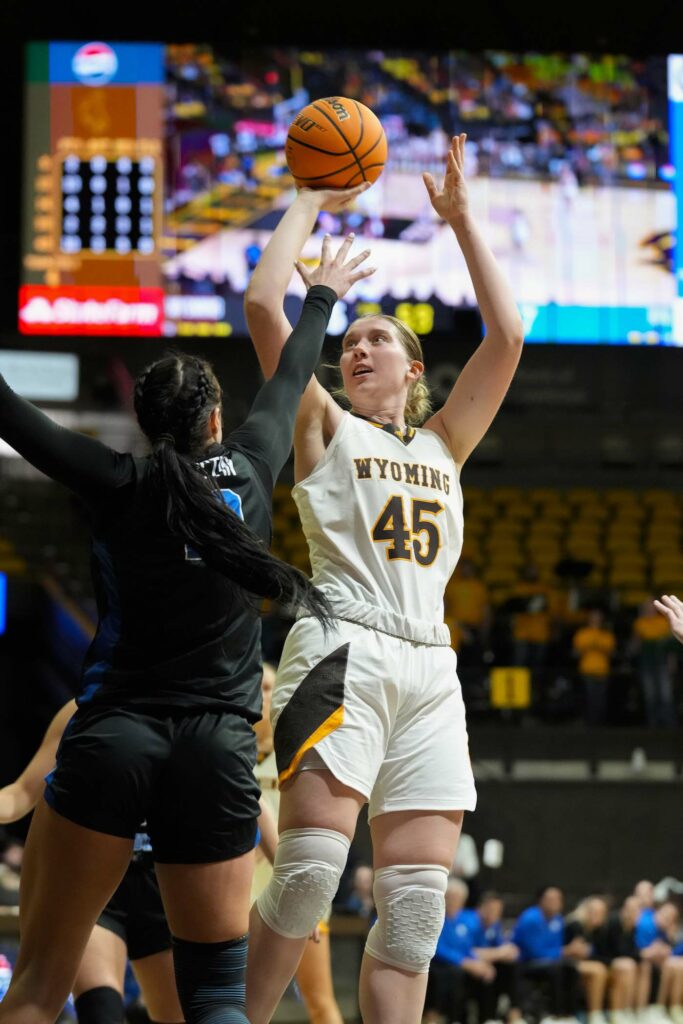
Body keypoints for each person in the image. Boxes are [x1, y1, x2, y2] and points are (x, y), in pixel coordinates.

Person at [0, 239, 372, 1024]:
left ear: (144, 424)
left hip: (116, 734)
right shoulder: (251, 463)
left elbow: (9, 411)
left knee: (37, 986)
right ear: (214, 418)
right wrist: (321, 295)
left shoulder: (115, 479)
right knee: (212, 1000)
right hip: (216, 745)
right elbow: (290, 375)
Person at [243, 132, 524, 1024]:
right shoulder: (323, 421)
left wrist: (463, 221)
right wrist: (307, 196)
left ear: (413, 369)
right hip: (342, 647)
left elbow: (508, 336)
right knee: (306, 876)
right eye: (350, 342)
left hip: (430, 669)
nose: (358, 350)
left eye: (377, 341)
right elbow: (261, 306)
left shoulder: (445, 442)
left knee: (411, 917)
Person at [0, 699, 183, 1024]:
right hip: (94, 887)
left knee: (183, 1015)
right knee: (100, 1011)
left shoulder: (198, 711)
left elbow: (250, 808)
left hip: (163, 890)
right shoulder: (85, 707)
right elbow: (21, 794)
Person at [252, 663, 344, 1024]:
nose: (261, 695)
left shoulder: (299, 747)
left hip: (297, 883)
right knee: (241, 1000)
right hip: (239, 886)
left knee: (319, 1002)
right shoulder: (228, 749)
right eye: (255, 686)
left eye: (268, 687)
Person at [513, 886, 582, 1023]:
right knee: (556, 968)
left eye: (558, 899)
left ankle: (567, 1014)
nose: (555, 902)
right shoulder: (531, 919)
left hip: (550, 961)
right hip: (526, 963)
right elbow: (534, 952)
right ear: (541, 900)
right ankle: (552, 1014)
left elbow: (557, 947)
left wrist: (570, 951)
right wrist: (566, 951)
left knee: (571, 968)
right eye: (551, 899)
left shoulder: (558, 920)